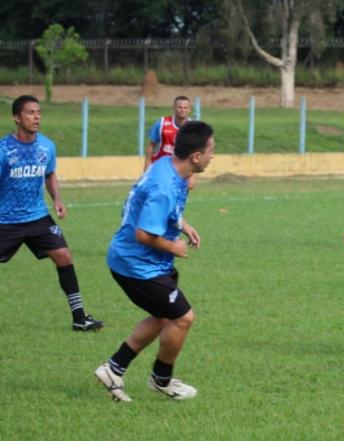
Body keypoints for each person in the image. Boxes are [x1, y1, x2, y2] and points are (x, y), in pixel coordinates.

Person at [94, 121, 215, 402]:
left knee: (164, 317)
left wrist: (182, 224)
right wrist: (174, 246)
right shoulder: (164, 186)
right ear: (196, 156)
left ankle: (114, 369)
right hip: (136, 264)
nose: (213, 156)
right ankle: (162, 380)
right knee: (183, 318)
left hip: (141, 261)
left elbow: (155, 209)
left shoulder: (169, 167)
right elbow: (144, 233)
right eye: (211, 150)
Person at [0, 95, 103, 331]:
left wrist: (57, 199)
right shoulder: (3, 149)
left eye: (39, 112)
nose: (36, 116)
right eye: (30, 112)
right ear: (16, 117)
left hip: (37, 217)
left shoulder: (47, 146)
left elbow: (49, 174)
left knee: (64, 255)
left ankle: (79, 318)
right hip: (5, 220)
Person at [145, 96, 196, 188]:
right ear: (174, 108)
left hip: (181, 172)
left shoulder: (193, 128)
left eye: (185, 108)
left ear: (190, 110)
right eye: (180, 107)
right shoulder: (162, 123)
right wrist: (147, 168)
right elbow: (151, 146)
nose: (182, 110)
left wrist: (193, 176)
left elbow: (197, 153)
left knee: (177, 202)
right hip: (160, 170)